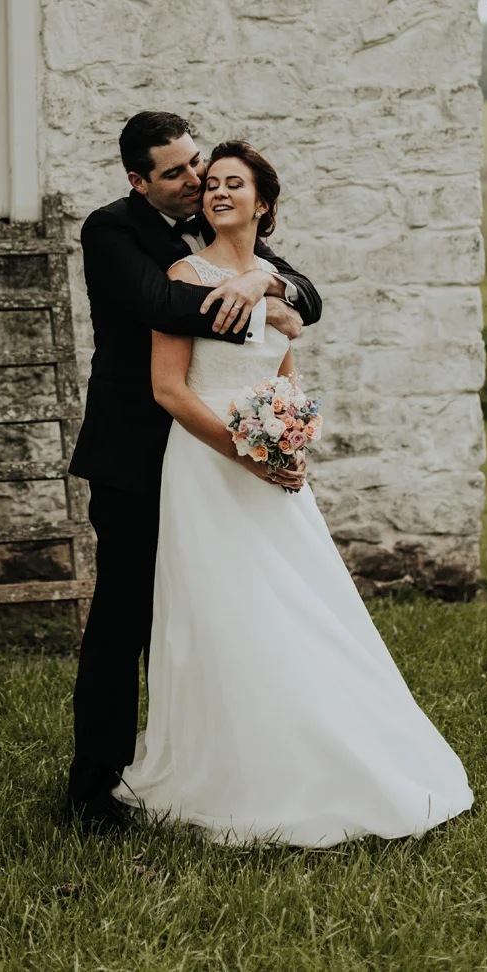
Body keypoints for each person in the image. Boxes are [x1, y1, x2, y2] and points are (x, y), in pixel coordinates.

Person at [113, 139, 474, 847]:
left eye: (232, 183)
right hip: (208, 466)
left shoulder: (280, 286)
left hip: (274, 470)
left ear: (262, 202)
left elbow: (285, 376)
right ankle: (226, 773)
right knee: (222, 615)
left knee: (305, 608)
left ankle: (328, 753)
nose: (216, 192)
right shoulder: (180, 274)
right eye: (209, 183)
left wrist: (291, 440)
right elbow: (168, 390)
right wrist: (246, 452)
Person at [66, 112, 322, 834]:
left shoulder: (232, 240)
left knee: (214, 618)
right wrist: (254, 301)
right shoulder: (110, 230)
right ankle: (95, 787)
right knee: (124, 622)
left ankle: (224, 761)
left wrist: (275, 290)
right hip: (133, 458)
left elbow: (309, 292)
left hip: (210, 462)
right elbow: (158, 303)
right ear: (137, 180)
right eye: (176, 172)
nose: (194, 180)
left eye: (197, 164)